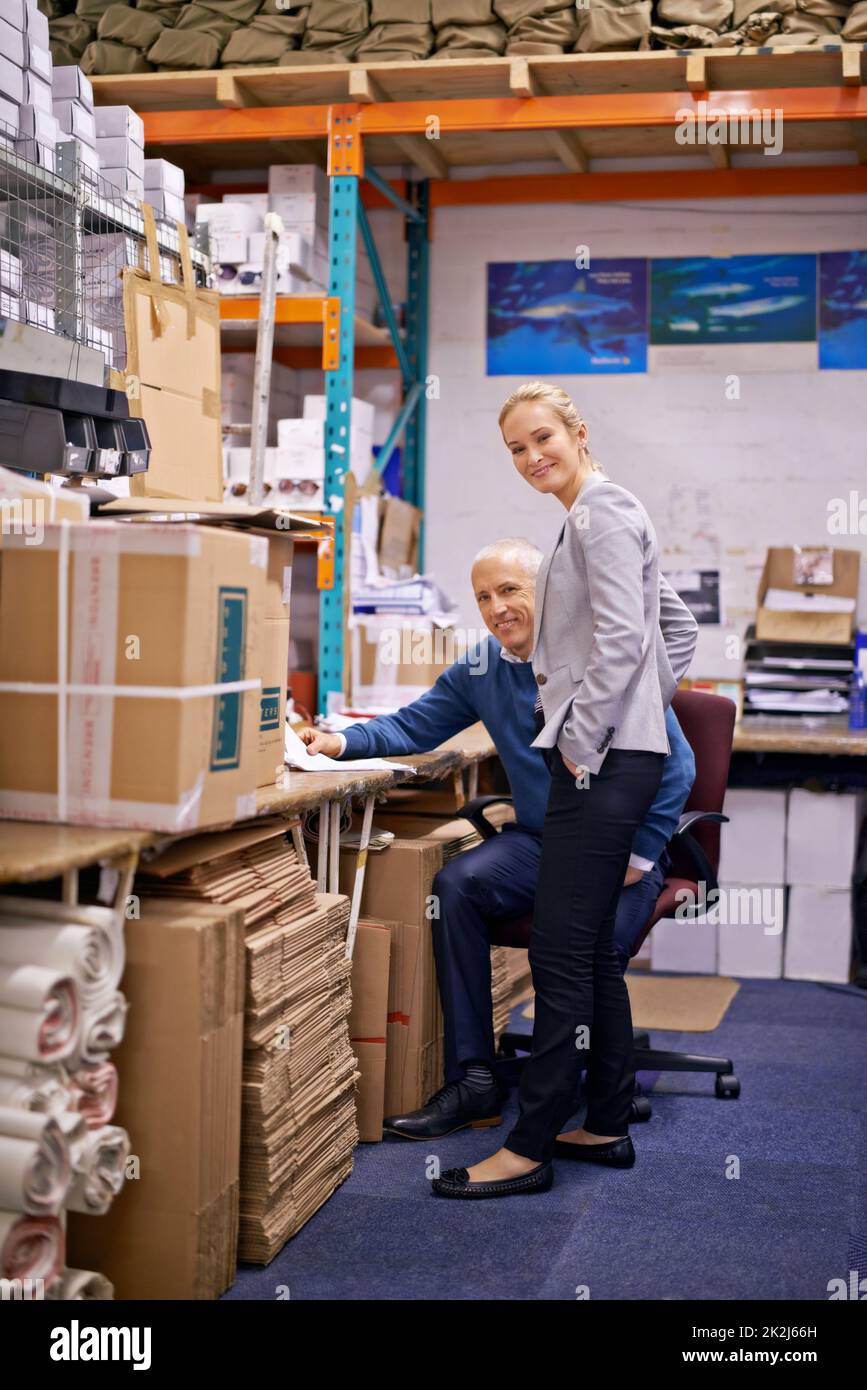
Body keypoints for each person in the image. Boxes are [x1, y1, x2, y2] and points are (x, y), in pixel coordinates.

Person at [301, 546, 696, 1148]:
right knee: (456, 887)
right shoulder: (485, 667)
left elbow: (677, 767)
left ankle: (598, 1093)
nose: (496, 608)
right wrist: (336, 741)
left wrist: (640, 856)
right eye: (483, 596)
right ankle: (476, 1081)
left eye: (510, 590)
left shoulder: (602, 657)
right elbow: (414, 724)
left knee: (595, 943)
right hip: (543, 842)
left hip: (618, 851)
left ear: (549, 591)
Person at [428, 381, 698, 1201]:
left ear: (576, 432)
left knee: (557, 953)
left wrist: (581, 738)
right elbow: (674, 630)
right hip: (617, 756)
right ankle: (606, 1119)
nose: (530, 456)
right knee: (581, 952)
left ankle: (528, 1145)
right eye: (515, 448)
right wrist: (638, 709)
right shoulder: (593, 514)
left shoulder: (598, 513)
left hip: (601, 763)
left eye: (541, 437)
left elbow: (623, 637)